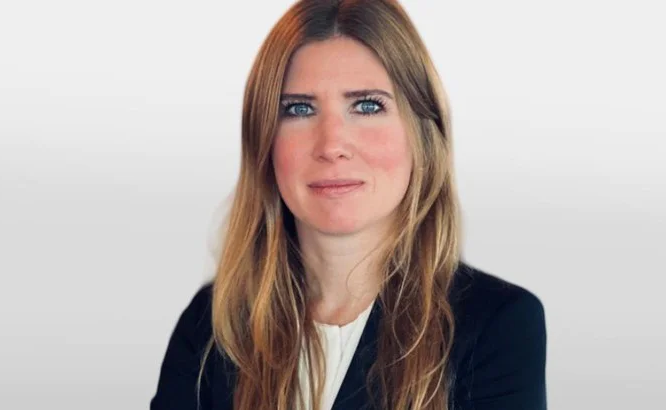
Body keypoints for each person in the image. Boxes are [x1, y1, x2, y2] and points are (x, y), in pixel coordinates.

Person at [150, 0, 547, 409]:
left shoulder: (497, 324)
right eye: (299, 109)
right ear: (263, 141)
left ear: (422, 134)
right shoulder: (213, 326)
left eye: (367, 106)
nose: (332, 145)